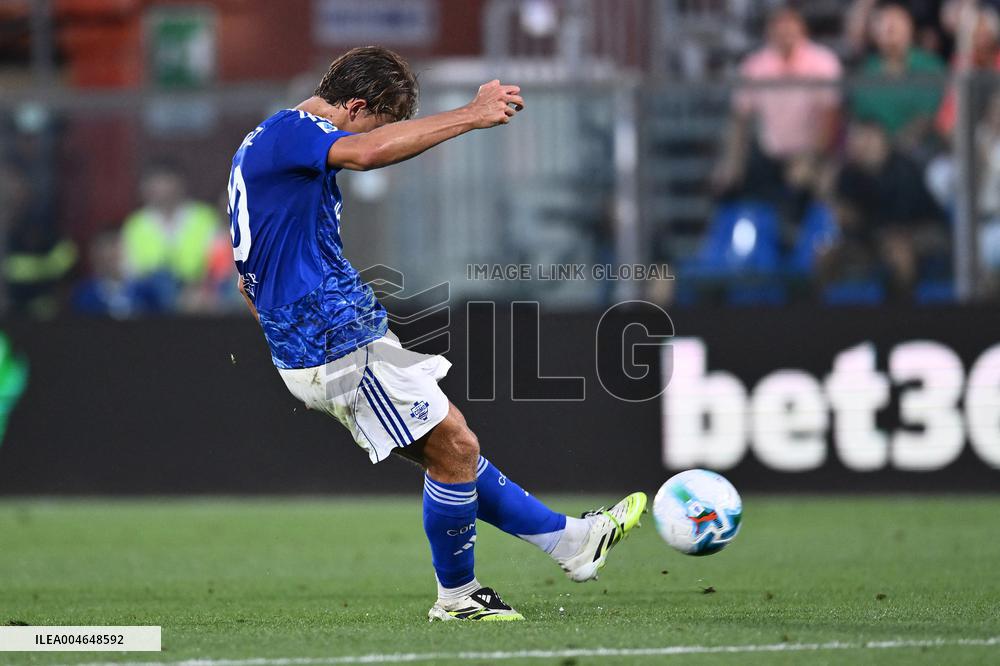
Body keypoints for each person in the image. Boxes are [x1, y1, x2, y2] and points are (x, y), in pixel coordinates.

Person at [226, 46, 645, 622]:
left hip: (328, 335)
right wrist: (470, 115)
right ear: (353, 106)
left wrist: (286, 331)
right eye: (385, 121)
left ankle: (570, 542)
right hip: (331, 340)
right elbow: (368, 153)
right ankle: (459, 597)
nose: (388, 137)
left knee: (451, 443)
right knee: (456, 448)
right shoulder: (297, 132)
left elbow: (249, 275)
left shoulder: (262, 145)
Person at [712, 7, 842, 210]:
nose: (785, 34)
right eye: (779, 28)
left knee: (816, 188)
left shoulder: (822, 62)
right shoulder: (755, 65)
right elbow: (740, 119)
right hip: (769, 155)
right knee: (731, 191)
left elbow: (831, 118)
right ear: (769, 33)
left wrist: (812, 158)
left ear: (802, 30)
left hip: (813, 155)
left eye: (790, 28)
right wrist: (730, 164)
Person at [851, 4, 945, 155]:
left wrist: (895, 147)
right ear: (874, 33)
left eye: (896, 23)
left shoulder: (930, 66)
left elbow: (927, 117)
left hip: (921, 150)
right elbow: (862, 119)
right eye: (883, 24)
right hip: (874, 152)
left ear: (910, 28)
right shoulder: (867, 72)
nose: (889, 28)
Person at [121, 162, 219, 305]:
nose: (162, 189)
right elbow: (130, 271)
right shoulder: (136, 224)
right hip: (150, 300)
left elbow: (219, 265)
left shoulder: (205, 218)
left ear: (181, 184)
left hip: (198, 295)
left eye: (166, 182)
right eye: (155, 184)